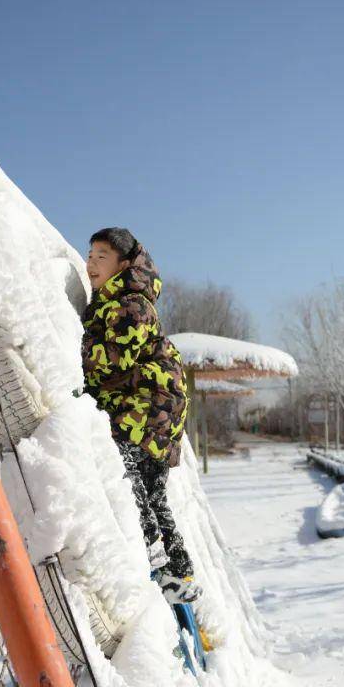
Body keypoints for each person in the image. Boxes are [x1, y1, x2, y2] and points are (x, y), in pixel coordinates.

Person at [81, 227, 200, 604]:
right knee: (152, 488)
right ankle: (178, 572)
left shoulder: (131, 303)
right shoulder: (113, 301)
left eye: (102, 257)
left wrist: (77, 350)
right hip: (152, 403)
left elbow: (116, 360)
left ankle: (154, 555)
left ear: (124, 265)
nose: (91, 264)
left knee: (126, 471)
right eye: (90, 255)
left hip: (151, 402)